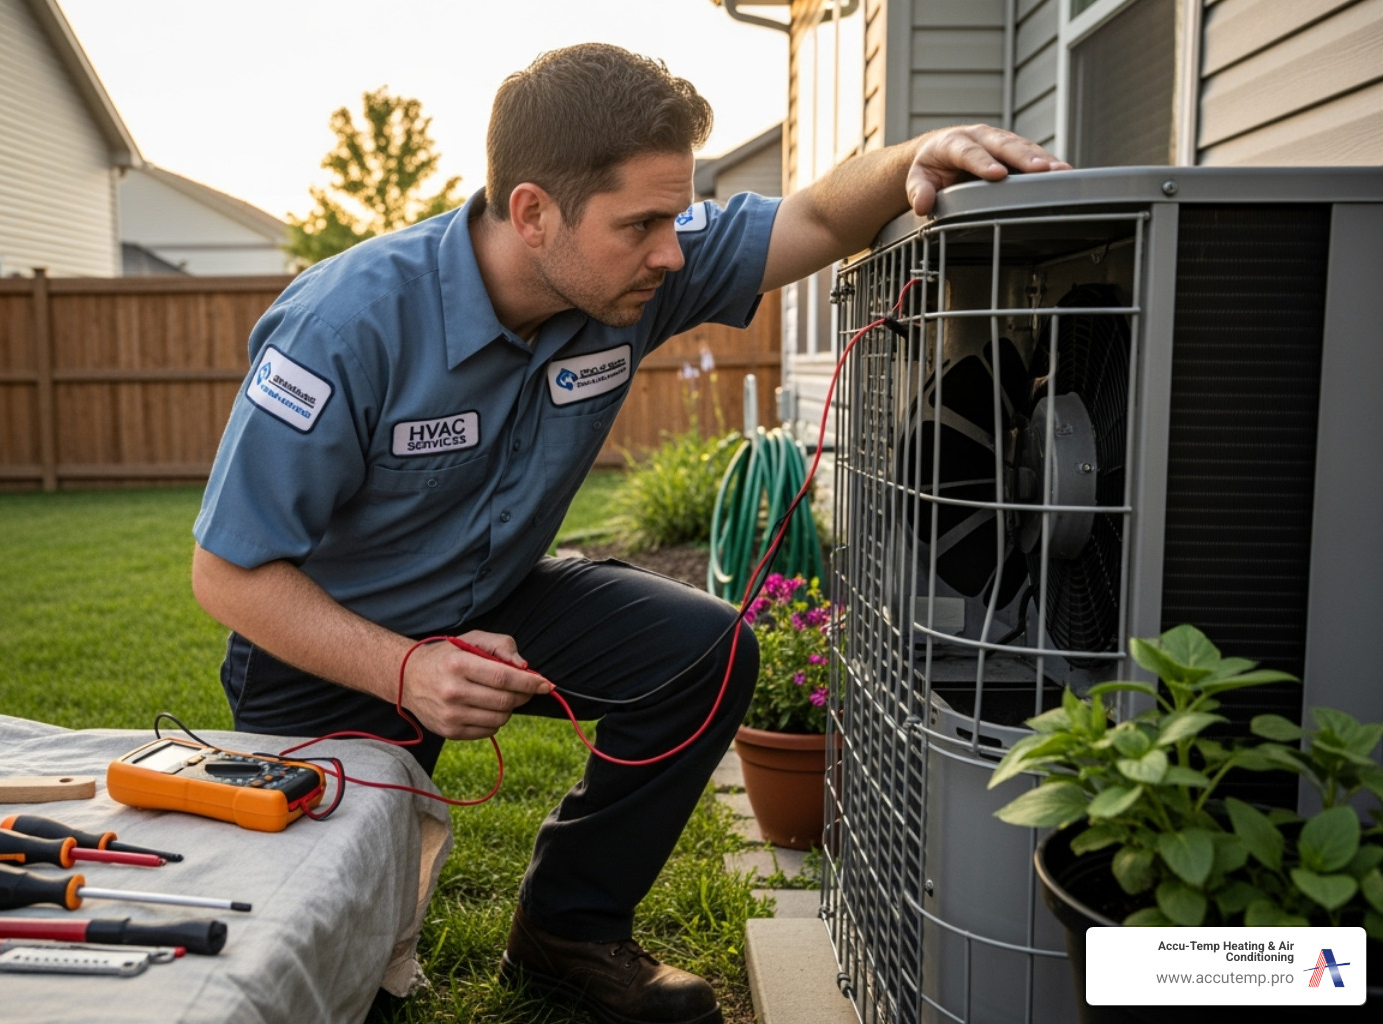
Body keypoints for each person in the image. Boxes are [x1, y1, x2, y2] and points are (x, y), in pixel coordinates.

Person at [191, 42, 1068, 1024]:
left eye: (678, 216)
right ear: (533, 212)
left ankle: (569, 925)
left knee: (704, 651)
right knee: (339, 973)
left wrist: (924, 145)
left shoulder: (629, 277)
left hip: (494, 601)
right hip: (329, 652)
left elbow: (821, 214)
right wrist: (406, 670)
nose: (674, 253)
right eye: (643, 224)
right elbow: (229, 574)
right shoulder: (344, 326)